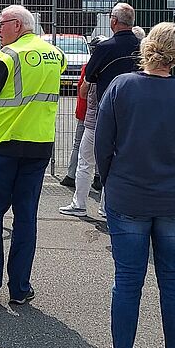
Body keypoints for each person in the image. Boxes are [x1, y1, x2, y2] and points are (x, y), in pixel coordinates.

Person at [94, 22, 175, 348]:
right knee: (174, 284)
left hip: (128, 194)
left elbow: (102, 145)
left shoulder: (121, 86)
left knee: (127, 283)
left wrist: (112, 180)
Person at [0, 5, 64, 305]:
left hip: (5, 144)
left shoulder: (8, 56)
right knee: (26, 216)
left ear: (17, 25)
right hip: (39, 145)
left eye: (1, 24)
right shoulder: (55, 54)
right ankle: (20, 288)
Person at [60, 35, 109, 218]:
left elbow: (82, 91)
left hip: (89, 118)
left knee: (83, 156)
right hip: (99, 118)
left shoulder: (90, 67)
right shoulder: (110, 68)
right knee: (106, 161)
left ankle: (78, 199)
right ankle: (104, 206)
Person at [85, 2, 140, 100]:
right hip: (136, 102)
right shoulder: (143, 47)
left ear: (114, 21)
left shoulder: (104, 48)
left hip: (110, 102)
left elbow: (89, 74)